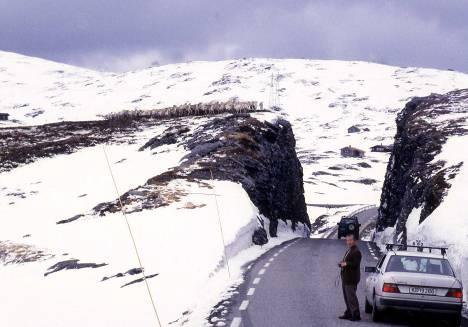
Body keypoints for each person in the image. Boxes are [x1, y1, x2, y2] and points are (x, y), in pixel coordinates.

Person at [338, 233, 362, 321]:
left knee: (351, 297)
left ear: (355, 241)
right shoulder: (350, 250)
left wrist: (346, 264)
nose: (348, 242)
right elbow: (347, 261)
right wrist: (342, 264)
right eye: (347, 240)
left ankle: (356, 314)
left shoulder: (356, 251)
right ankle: (349, 312)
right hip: (346, 277)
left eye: (350, 240)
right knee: (346, 296)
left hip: (351, 278)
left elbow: (355, 264)